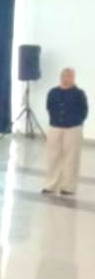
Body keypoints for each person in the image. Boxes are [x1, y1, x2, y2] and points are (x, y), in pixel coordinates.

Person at [43, 68, 87, 196]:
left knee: (71, 157)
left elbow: (84, 110)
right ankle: (51, 185)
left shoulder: (79, 93)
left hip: (73, 128)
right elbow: (49, 107)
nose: (66, 78)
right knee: (52, 157)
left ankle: (68, 186)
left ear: (73, 78)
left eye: (69, 76)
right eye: (64, 75)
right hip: (55, 127)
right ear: (60, 77)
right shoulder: (53, 92)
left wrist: (76, 121)